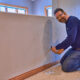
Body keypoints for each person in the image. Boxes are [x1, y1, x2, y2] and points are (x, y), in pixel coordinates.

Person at [51, 8, 80, 72]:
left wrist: (56, 47)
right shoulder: (67, 22)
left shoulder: (72, 20)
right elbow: (71, 39)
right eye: (57, 18)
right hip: (74, 48)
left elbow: (71, 39)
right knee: (62, 62)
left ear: (64, 13)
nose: (59, 18)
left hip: (79, 49)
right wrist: (62, 49)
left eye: (60, 15)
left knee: (66, 68)